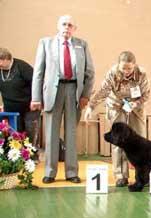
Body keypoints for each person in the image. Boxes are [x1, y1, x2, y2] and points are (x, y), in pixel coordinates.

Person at [30, 15, 95, 184]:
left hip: (74, 90)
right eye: (64, 24)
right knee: (51, 132)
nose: (67, 27)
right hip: (53, 91)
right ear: (58, 26)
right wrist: (36, 97)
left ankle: (72, 172)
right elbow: (38, 72)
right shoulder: (45, 43)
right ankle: (50, 172)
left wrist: (85, 95)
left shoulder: (82, 44)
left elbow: (90, 73)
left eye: (70, 25)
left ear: (75, 28)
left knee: (71, 133)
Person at [84, 51, 150, 187]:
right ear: (118, 65)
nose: (126, 71)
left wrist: (135, 104)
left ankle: (143, 175)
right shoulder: (112, 73)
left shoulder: (142, 74)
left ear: (134, 65)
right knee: (118, 140)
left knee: (141, 141)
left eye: (129, 68)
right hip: (116, 104)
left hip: (136, 106)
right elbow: (103, 91)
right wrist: (91, 107)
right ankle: (120, 176)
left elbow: (146, 94)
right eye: (123, 68)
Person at [0, 48, 41, 151]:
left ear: (6, 59)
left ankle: (32, 156)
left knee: (30, 132)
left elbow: (36, 82)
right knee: (15, 134)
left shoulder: (21, 66)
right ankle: (18, 157)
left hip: (29, 107)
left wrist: (35, 100)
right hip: (11, 109)